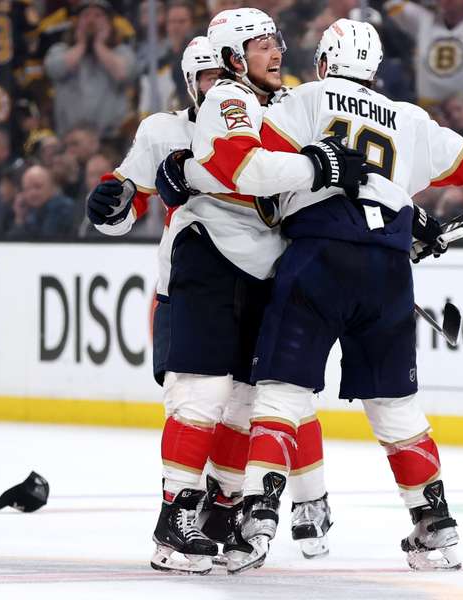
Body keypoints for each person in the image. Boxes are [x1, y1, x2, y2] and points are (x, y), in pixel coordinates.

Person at [170, 17, 463, 573]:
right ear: (376, 69)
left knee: (281, 392)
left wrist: (186, 170)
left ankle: (259, 514)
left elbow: (245, 166)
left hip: (318, 258)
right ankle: (434, 523)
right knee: (396, 405)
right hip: (387, 267)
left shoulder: (305, 99)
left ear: (323, 63)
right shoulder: (411, 120)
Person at [151, 10, 368, 574]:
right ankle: (174, 521)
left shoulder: (281, 102)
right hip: (212, 255)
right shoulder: (230, 97)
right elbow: (245, 168)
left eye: (277, 42)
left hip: (265, 265)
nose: (276, 53)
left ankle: (218, 513)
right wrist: (316, 165)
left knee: (247, 402)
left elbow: (338, 171)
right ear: (230, 58)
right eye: (261, 44)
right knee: (201, 393)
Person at [43, 0, 138, 139]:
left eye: (98, 15)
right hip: (69, 138)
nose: (91, 21)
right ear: (77, 22)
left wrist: (99, 45)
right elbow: (55, 69)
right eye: (86, 15)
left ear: (110, 23)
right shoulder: (60, 50)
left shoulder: (122, 52)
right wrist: (81, 44)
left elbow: (123, 73)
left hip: (111, 139)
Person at [8, 165, 76, 238]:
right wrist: (19, 218)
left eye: (38, 187)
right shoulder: (30, 211)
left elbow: (46, 240)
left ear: (52, 186)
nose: (32, 193)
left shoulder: (63, 207)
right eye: (27, 188)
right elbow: (14, 243)